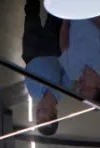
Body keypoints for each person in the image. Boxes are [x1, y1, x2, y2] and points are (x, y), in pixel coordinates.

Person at [23, 0, 66, 136]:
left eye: (38, 120)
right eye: (45, 118)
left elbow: (27, 74)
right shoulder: (63, 91)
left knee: (31, 14)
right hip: (52, 48)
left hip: (31, 53)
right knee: (55, 14)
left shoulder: (33, 93)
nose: (40, 113)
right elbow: (68, 67)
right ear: (54, 113)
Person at [59, 11, 100, 100]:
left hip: (71, 14)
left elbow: (64, 45)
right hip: (96, 10)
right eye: (86, 88)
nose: (80, 85)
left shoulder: (72, 72)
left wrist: (65, 20)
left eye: (80, 90)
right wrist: (85, 9)